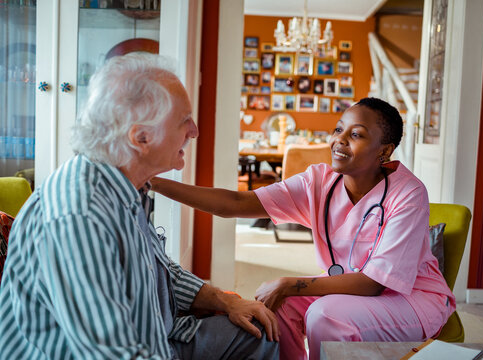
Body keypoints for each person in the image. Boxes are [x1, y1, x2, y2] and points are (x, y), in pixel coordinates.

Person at [0, 53, 279, 360]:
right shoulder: (80, 217)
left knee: (260, 333)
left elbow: (156, 268)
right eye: (184, 120)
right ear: (141, 137)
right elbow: (113, 353)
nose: (194, 131)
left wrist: (224, 300)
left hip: (158, 336)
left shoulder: (128, 186)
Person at [149, 98, 456, 360]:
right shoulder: (318, 181)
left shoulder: (408, 193)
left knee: (325, 316)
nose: (340, 140)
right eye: (338, 129)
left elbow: (375, 283)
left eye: (357, 135)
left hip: (411, 299)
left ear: (384, 151)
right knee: (280, 304)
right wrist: (153, 180)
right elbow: (235, 204)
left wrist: (287, 282)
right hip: (351, 289)